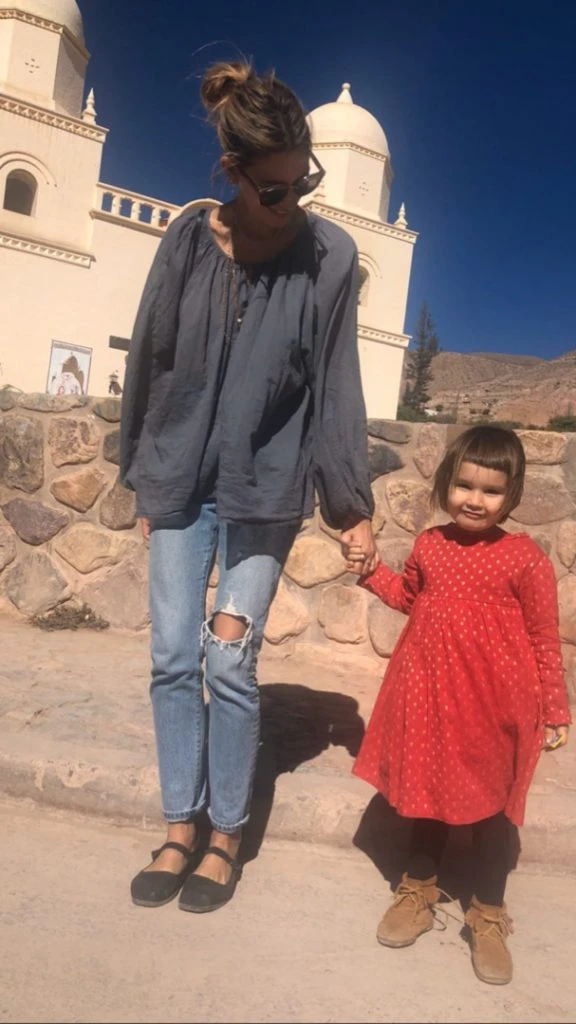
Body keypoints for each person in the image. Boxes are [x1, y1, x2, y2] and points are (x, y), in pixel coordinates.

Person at [120, 61, 377, 915]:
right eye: (274, 188)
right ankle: (178, 825)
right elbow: (152, 360)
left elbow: (336, 385)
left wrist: (350, 505)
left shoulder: (329, 258)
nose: (292, 200)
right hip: (179, 478)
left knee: (229, 659)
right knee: (171, 658)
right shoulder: (188, 240)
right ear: (233, 172)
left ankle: (226, 834)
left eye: (304, 180)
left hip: (265, 487)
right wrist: (145, 477)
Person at [347, 425, 571, 985]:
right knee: (427, 796)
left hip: (496, 708)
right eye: (465, 485)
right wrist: (371, 571)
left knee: (495, 811)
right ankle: (419, 890)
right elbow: (409, 598)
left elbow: (544, 637)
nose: (475, 500)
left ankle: (487, 914)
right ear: (447, 482)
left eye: (491, 491)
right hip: (429, 696)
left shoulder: (525, 559)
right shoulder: (430, 545)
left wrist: (555, 709)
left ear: (512, 495)